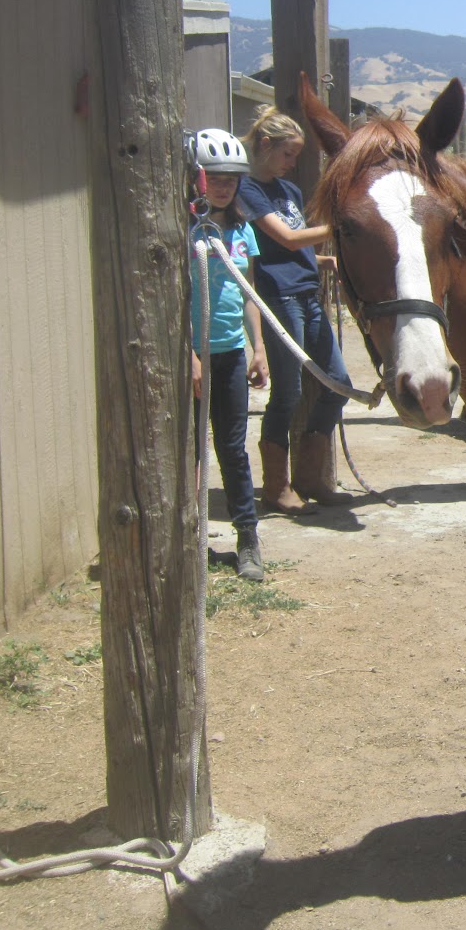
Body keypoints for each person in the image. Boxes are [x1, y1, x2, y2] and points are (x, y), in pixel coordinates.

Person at [238, 106, 353, 510]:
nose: (292, 163)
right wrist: (343, 226)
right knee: (287, 393)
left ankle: (309, 478)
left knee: (337, 383)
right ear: (265, 146)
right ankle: (276, 487)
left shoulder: (288, 191)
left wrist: (320, 260)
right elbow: (286, 239)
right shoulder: (247, 190)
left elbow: (295, 246)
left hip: (306, 294)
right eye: (288, 154)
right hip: (280, 298)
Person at [188, 129, 270, 581]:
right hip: (194, 359)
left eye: (231, 179)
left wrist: (258, 347)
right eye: (214, 177)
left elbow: (248, 290)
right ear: (197, 178)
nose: (223, 186)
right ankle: (190, 540)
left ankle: (248, 540)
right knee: (189, 453)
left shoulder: (241, 230)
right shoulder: (183, 229)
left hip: (231, 354)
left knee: (232, 449)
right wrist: (189, 355)